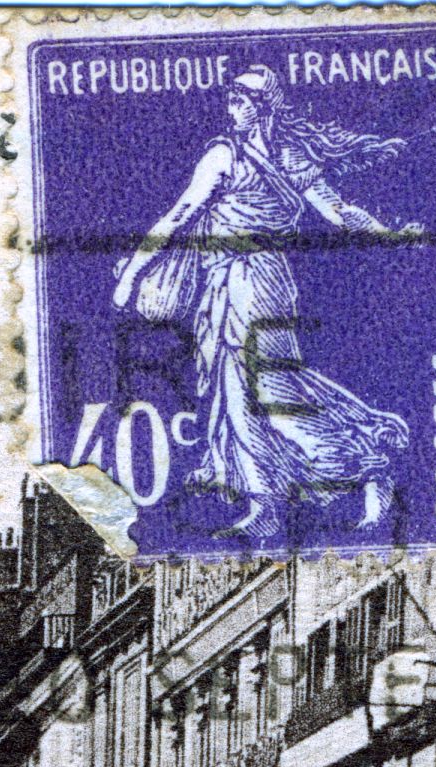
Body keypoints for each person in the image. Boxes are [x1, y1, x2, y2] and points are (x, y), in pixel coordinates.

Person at [108, 65, 417, 538]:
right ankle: (265, 501)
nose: (231, 106)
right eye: (230, 97)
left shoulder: (267, 157)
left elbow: (336, 211)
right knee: (234, 394)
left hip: (256, 281)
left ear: (262, 107)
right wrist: (134, 271)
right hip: (226, 284)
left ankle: (368, 467)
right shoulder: (225, 153)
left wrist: (388, 233)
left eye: (241, 99)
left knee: (272, 394)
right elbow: (181, 214)